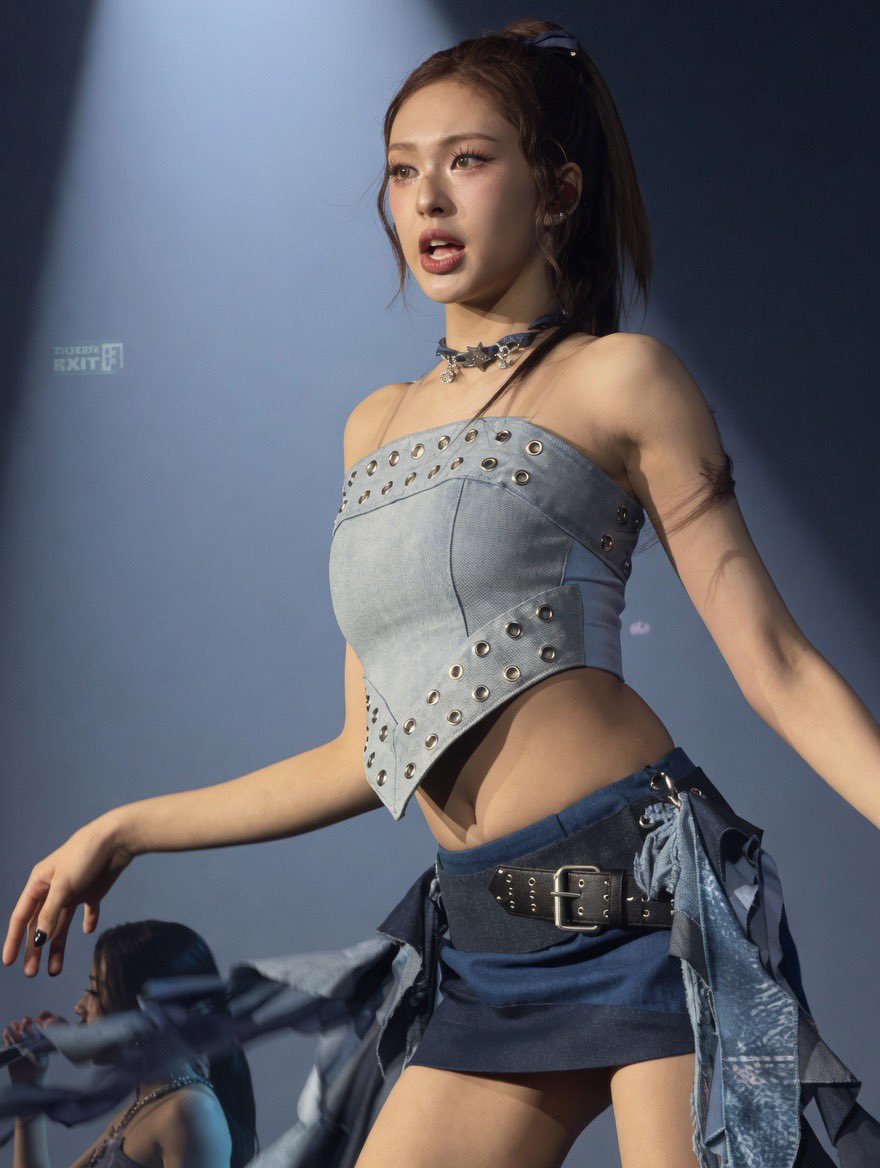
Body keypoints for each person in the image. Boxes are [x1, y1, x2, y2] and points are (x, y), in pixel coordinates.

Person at [2, 16, 878, 1168]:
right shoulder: (372, 427)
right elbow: (362, 753)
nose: (427, 198)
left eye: (466, 160)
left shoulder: (619, 377)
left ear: (557, 190)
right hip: (484, 934)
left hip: (641, 902)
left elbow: (776, 663)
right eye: (402, 169)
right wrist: (123, 828)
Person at [2, 921, 256, 1167]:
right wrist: (28, 1083)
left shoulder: (190, 1110)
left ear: (146, 1013)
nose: (79, 1007)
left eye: (95, 992)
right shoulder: (144, 1105)